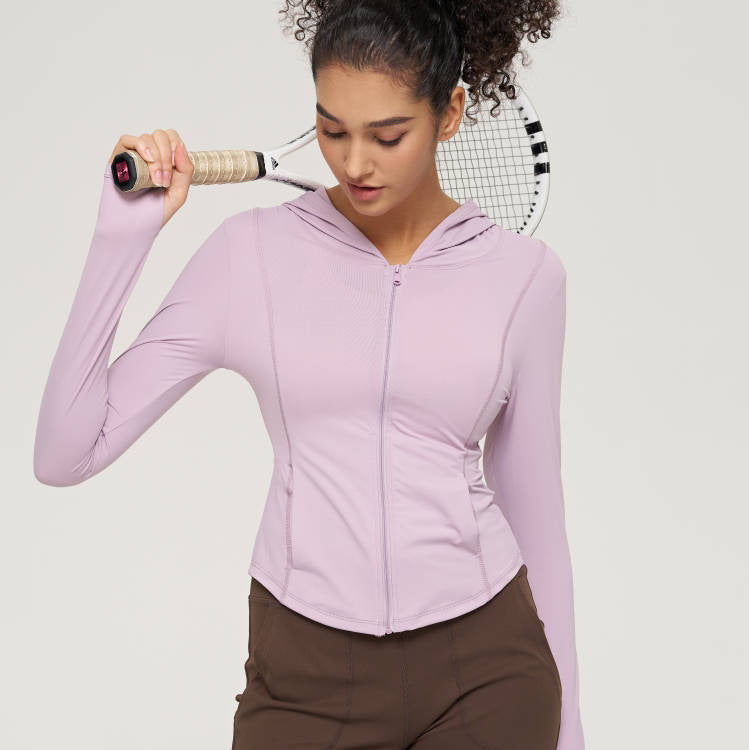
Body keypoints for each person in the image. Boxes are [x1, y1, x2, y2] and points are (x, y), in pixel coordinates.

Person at [33, 0, 585, 748]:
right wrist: (122, 236)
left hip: (488, 665)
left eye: (387, 136)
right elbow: (66, 453)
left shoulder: (525, 277)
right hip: (306, 671)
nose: (354, 164)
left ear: (450, 113)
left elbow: (535, 513)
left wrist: (569, 732)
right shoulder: (250, 256)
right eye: (332, 129)